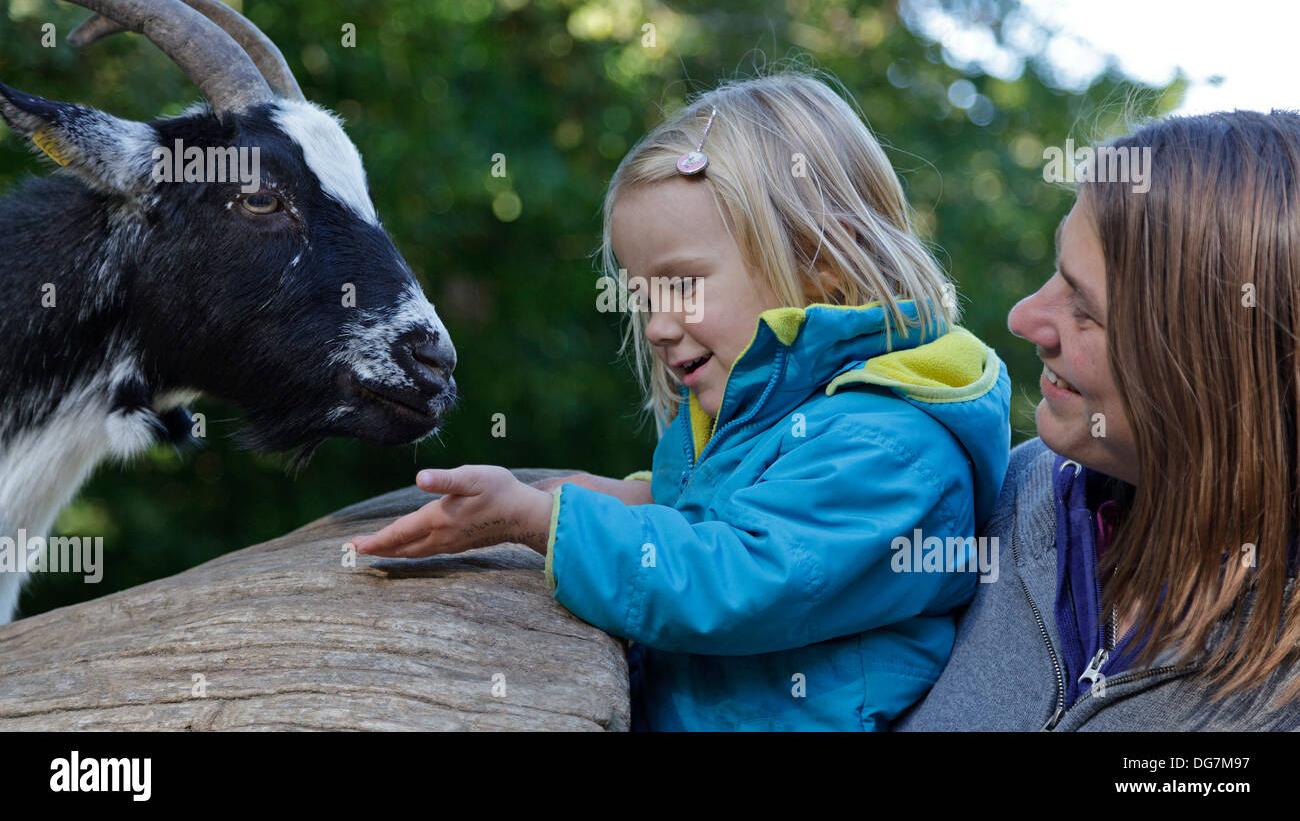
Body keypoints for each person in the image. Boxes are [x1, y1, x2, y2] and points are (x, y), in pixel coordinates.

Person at [352, 70, 1011, 730]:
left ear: (821, 264)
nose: (657, 327)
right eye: (643, 296)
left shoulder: (890, 446)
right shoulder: (759, 412)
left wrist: (542, 522)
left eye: (681, 285)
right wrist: (593, 495)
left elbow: (741, 578)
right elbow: (700, 508)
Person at [895, 110, 1300, 731]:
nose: (1024, 318)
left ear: (1218, 370)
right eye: (1056, 272)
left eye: (1085, 310)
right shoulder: (982, 499)